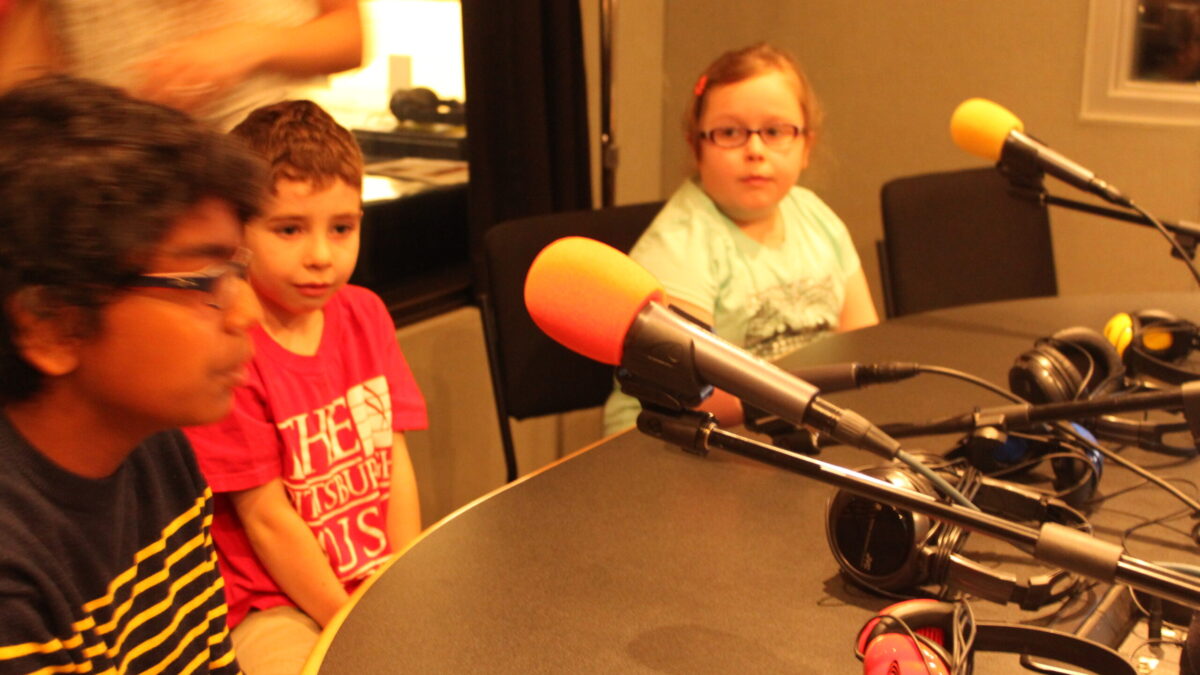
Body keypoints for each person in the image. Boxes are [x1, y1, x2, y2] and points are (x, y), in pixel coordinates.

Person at [0, 75, 266, 672]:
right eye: (204, 281)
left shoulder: (154, 443)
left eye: (238, 268)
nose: (248, 313)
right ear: (52, 326)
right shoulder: (12, 573)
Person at [184, 100, 427, 674]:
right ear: (238, 229)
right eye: (289, 229)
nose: (321, 256)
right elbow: (266, 518)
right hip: (276, 605)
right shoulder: (234, 347)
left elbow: (394, 458)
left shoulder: (365, 314)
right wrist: (355, 620)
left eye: (342, 228)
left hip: (372, 579)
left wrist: (405, 578)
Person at [603, 42, 879, 435]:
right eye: (730, 132)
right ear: (696, 145)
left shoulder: (816, 216)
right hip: (672, 441)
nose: (754, 149)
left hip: (791, 423)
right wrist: (815, 399)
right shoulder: (679, 244)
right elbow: (693, 397)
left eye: (775, 131)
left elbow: (862, 342)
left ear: (806, 145)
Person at [0, 0, 363, 129]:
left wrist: (253, 42)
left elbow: (350, 37)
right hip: (123, 191)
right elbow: (19, 88)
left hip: (261, 173)